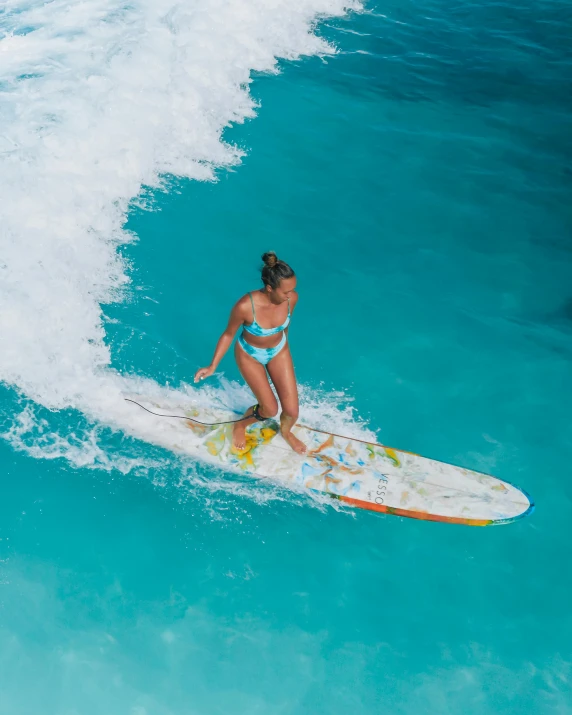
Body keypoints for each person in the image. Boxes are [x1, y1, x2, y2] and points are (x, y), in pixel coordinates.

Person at [194, 252, 306, 454]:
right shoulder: (246, 306)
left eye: (293, 289)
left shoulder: (292, 299)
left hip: (279, 351)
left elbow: (284, 327)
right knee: (269, 410)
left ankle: (287, 432)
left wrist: (283, 348)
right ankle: (240, 425)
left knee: (292, 411)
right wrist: (212, 365)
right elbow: (228, 334)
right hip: (250, 355)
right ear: (270, 288)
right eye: (286, 291)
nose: (291, 295)